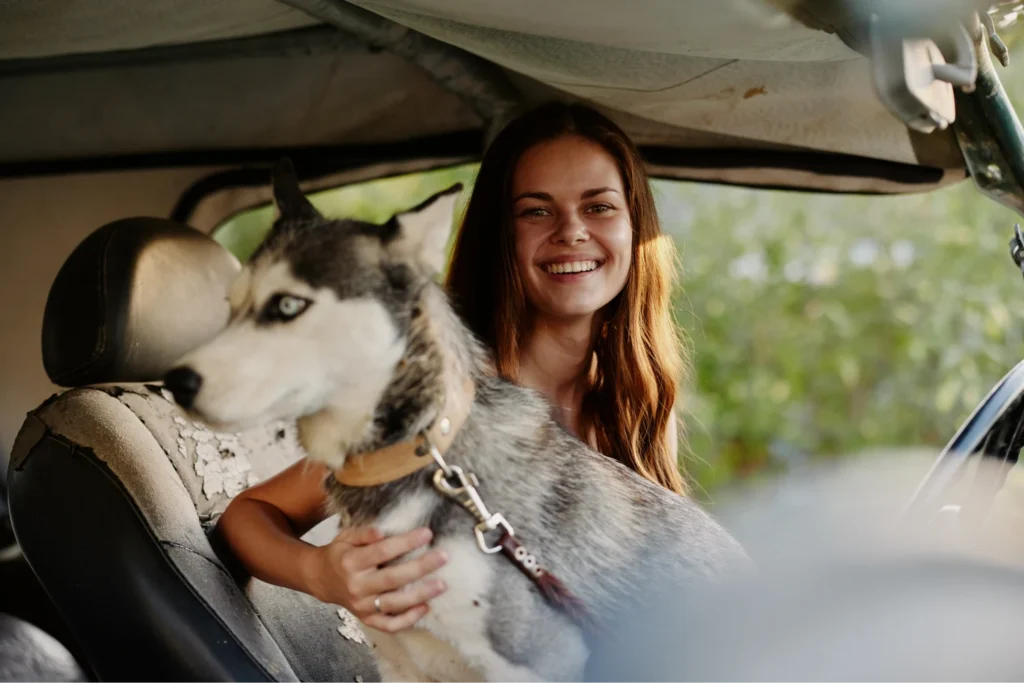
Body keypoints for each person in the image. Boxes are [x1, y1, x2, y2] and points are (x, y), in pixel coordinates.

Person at [213, 101, 691, 635]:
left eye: (599, 206)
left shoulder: (640, 404)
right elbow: (250, 514)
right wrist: (319, 571)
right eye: (537, 210)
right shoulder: (447, 399)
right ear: (501, 236)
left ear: (634, 225)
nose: (571, 230)